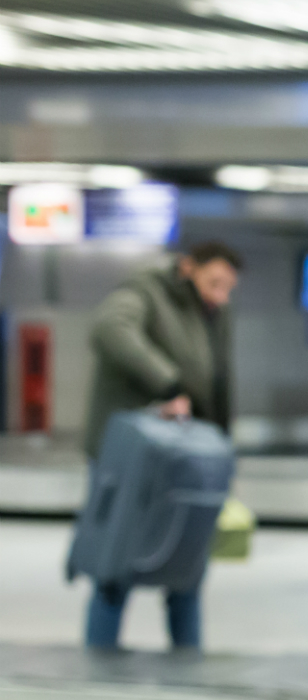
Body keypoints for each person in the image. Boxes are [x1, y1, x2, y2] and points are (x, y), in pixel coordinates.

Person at [79, 241, 242, 651]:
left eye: (227, 288)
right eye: (213, 283)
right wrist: (166, 384)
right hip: (134, 458)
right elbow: (109, 330)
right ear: (187, 268)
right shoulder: (144, 292)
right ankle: (98, 666)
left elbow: (217, 383)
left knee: (188, 568)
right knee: (117, 564)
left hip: (189, 457)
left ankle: (188, 665)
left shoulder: (214, 313)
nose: (220, 295)